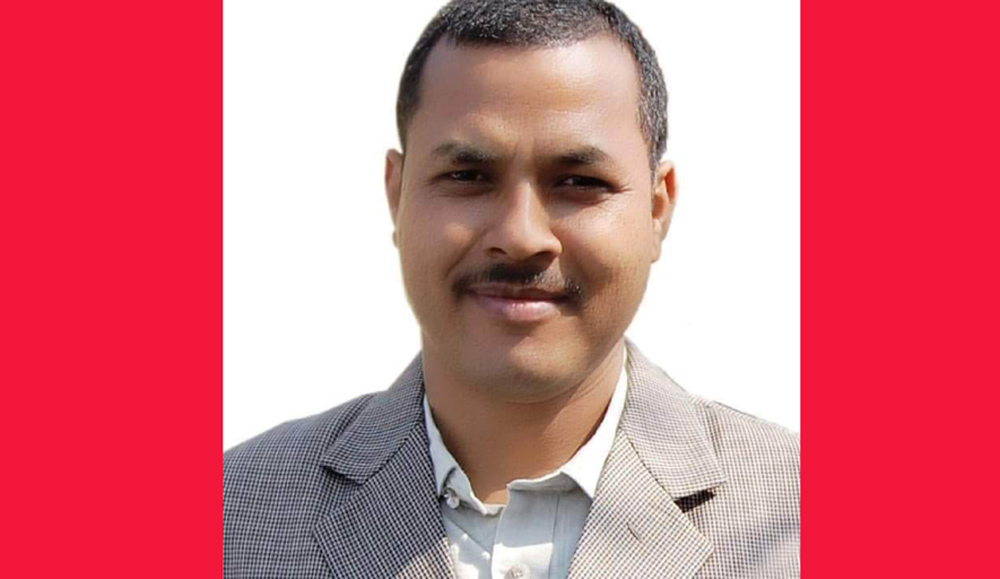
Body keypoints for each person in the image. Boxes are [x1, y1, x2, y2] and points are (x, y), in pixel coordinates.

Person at [223, 0, 800, 577]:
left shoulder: (799, 519)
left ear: (656, 209)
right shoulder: (231, 517)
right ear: (397, 196)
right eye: (468, 177)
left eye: (579, 182)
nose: (521, 236)